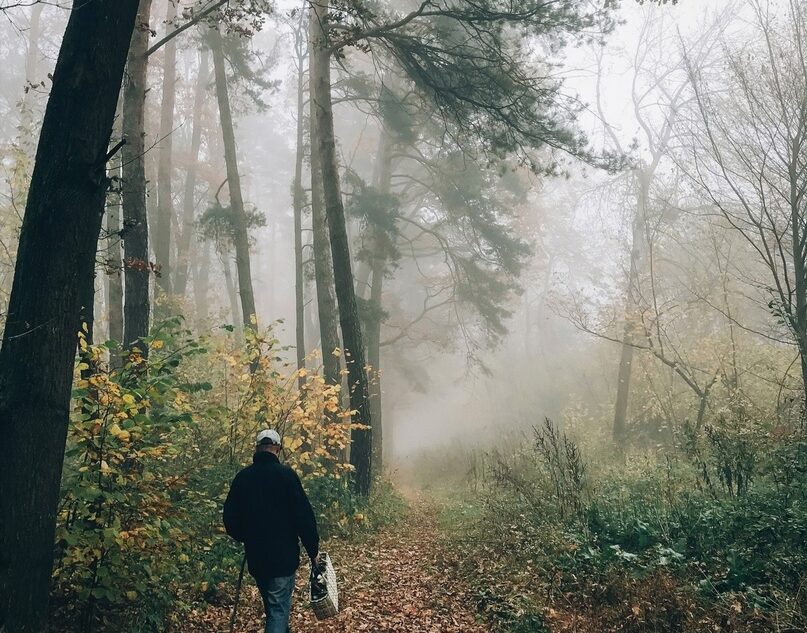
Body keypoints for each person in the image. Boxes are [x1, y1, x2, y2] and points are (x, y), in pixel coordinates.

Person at [223, 429, 319, 633]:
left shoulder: (243, 478)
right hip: (283, 558)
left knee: (274, 606)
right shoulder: (287, 476)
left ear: (257, 449)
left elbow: (230, 519)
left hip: (257, 557)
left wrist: (246, 535)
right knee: (277, 610)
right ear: (278, 449)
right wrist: (313, 551)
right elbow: (304, 518)